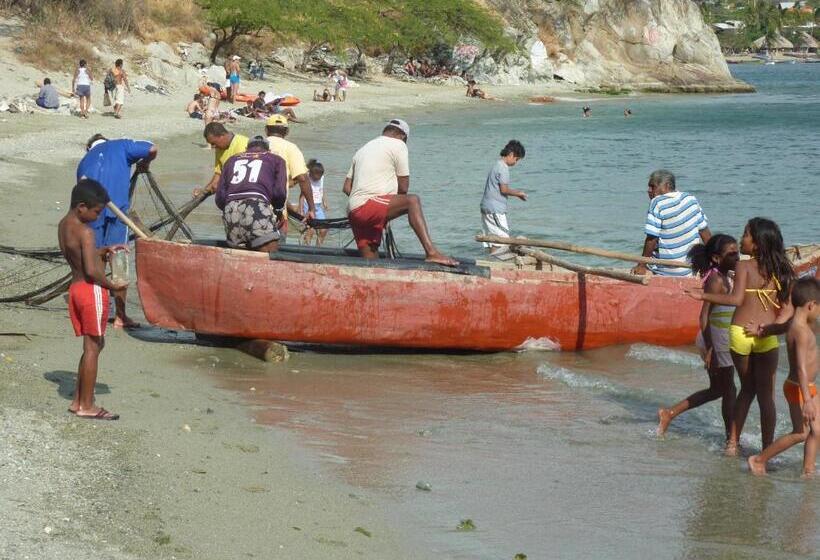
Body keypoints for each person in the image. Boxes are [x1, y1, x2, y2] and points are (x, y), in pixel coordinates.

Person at [685, 217, 795, 455]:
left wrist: (702, 296)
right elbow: (787, 310)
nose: (742, 238)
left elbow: (735, 300)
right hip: (766, 334)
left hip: (739, 333)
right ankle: (767, 450)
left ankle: (732, 444)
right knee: (766, 396)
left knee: (746, 390)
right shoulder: (783, 268)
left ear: (756, 244)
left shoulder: (744, 267)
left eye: (746, 235)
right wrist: (770, 328)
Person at [58, 179, 128, 420]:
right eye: (97, 212)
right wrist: (113, 285)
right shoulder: (86, 232)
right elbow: (92, 271)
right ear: (81, 207)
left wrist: (103, 250)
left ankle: (78, 400)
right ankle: (86, 405)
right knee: (93, 347)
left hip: (76, 290)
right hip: (91, 290)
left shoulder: (64, 225)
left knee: (92, 346)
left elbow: (79, 256)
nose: (98, 217)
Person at [657, 234, 739, 439]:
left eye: (738, 252)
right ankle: (731, 439)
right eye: (732, 254)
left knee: (718, 390)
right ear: (717, 259)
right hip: (715, 340)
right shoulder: (715, 280)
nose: (738, 257)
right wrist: (711, 349)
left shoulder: (726, 276)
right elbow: (703, 317)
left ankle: (669, 413)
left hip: (719, 339)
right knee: (728, 389)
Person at [343, 119, 456, 266]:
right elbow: (403, 188)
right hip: (368, 207)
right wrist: (384, 209)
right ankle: (431, 252)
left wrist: (383, 210)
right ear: (402, 136)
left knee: (371, 265)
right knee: (412, 201)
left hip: (353, 212)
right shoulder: (398, 145)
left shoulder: (363, 149)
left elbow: (346, 187)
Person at [77, 134, 157, 328]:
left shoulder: (83, 161)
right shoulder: (122, 145)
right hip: (116, 213)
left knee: (95, 259)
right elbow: (152, 149)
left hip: (91, 213)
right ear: (106, 140)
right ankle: (120, 317)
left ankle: (93, 312)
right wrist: (144, 163)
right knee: (118, 260)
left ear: (90, 147)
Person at [747, 277, 819, 476]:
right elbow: (801, 367)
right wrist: (807, 401)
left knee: (817, 430)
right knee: (800, 433)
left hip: (808, 386)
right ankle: (759, 459)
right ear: (811, 305)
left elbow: (778, 328)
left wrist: (761, 331)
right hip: (799, 387)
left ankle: (808, 470)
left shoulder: (795, 323)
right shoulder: (801, 331)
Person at [215, 136, 288, 252]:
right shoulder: (276, 159)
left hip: (230, 208)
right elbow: (279, 193)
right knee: (269, 253)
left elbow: (219, 197)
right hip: (256, 205)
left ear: (246, 149)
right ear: (268, 150)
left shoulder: (231, 160)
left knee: (240, 254)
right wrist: (278, 210)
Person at [632, 170, 712, 277]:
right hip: (689, 270)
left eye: (653, 186)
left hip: (665, 269)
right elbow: (704, 231)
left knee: (641, 267)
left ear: (667, 186)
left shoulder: (657, 203)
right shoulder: (690, 199)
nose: (649, 190)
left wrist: (641, 265)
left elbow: (652, 238)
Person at [264, 114, 315, 222]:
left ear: (266, 130)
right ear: (287, 132)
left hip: (247, 207)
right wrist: (311, 208)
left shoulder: (254, 145)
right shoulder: (290, 147)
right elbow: (302, 178)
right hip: (275, 212)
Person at [480, 140, 527, 255]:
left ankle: (494, 262)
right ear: (511, 154)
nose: (516, 162)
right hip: (495, 209)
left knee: (494, 239)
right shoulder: (503, 168)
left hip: (487, 207)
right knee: (504, 239)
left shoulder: (497, 165)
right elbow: (504, 190)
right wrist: (518, 193)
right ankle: (504, 263)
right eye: (517, 159)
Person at [194, 122, 249, 197]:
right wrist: (204, 191)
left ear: (222, 135)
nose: (213, 147)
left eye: (213, 143)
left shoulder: (243, 144)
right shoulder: (219, 148)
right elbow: (218, 174)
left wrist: (221, 185)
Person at [300, 159, 330, 246]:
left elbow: (321, 189)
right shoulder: (307, 179)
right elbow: (302, 195)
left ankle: (318, 248)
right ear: (311, 174)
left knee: (324, 229)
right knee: (311, 230)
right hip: (308, 205)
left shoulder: (321, 178)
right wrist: (301, 210)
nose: (318, 179)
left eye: (319, 177)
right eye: (315, 177)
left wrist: (325, 201)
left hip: (318, 206)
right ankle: (307, 247)